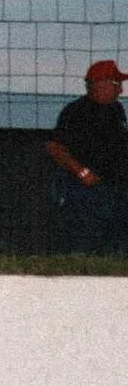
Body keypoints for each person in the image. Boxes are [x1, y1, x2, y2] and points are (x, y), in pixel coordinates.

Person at [46, 59, 128, 253]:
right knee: (82, 242)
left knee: (118, 244)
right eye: (117, 85)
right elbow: (55, 147)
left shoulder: (116, 110)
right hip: (87, 191)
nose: (121, 91)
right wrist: (82, 173)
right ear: (101, 84)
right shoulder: (76, 112)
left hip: (116, 187)